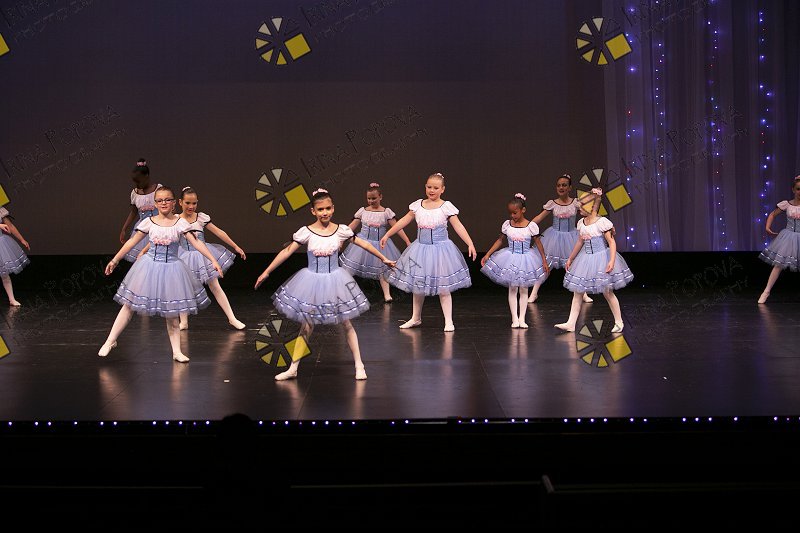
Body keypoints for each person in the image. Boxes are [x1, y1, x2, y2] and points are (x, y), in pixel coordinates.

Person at [254, 188, 396, 381]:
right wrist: (266, 271)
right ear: (313, 211)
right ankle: (293, 368)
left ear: (333, 208)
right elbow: (287, 252)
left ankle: (359, 365)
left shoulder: (341, 230)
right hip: (312, 281)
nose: (325, 212)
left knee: (346, 323)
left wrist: (383, 258)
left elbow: (364, 244)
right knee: (306, 326)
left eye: (328, 208)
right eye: (320, 209)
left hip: (335, 280)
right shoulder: (307, 232)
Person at [99, 186, 223, 362]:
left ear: (173, 203)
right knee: (129, 304)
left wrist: (213, 260)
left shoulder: (180, 223)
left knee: (172, 312)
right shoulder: (148, 222)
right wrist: (115, 260)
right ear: (155, 203)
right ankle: (110, 340)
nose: (163, 203)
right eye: (160, 200)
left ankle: (176, 351)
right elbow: (131, 242)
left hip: (172, 268)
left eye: (167, 200)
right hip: (149, 267)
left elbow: (197, 243)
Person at [380, 172, 477, 332]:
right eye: (429, 187)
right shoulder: (418, 205)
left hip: (441, 250)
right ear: (425, 187)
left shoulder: (446, 207)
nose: (432, 190)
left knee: (443, 287)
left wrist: (470, 243)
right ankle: (415, 318)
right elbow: (403, 221)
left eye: (436, 188)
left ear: (442, 189)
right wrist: (388, 234)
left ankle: (448, 321)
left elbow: (458, 226)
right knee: (418, 285)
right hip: (421, 249)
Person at [556, 189, 633, 333]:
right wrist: (571, 258)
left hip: (601, 258)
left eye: (582, 206)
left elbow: (611, 242)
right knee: (578, 291)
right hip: (585, 259)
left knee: (607, 292)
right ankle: (571, 323)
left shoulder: (602, 222)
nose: (579, 209)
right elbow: (580, 242)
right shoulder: (581, 223)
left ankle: (619, 321)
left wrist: (611, 261)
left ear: (591, 207)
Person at [174, 186, 246, 329]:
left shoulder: (201, 218)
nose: (191, 206)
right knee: (182, 288)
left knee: (215, 286)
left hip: (203, 256)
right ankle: (184, 321)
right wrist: (145, 251)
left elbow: (219, 232)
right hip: (184, 256)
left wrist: (235, 246)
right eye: (187, 203)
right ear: (180, 202)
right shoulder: (176, 219)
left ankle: (232, 318)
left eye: (194, 203)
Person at [480, 193, 549, 328]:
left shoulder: (530, 226)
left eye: (515, 213)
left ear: (523, 210)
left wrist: (544, 260)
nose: (512, 215)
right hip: (510, 258)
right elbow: (500, 240)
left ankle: (522, 318)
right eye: (510, 213)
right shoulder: (507, 225)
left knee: (523, 289)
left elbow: (538, 244)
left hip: (526, 259)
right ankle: (514, 318)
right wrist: (488, 254)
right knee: (512, 289)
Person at [339, 181, 411, 303]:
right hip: (363, 243)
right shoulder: (363, 211)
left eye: (374, 198)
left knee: (383, 269)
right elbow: (351, 227)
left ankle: (387, 294)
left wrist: (407, 241)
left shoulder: (386, 212)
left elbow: (397, 227)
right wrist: (340, 238)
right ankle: (342, 291)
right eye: (369, 198)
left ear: (380, 197)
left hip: (380, 244)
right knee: (350, 268)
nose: (371, 201)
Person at [529, 174, 594, 304]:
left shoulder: (575, 203)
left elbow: (589, 213)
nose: (561, 187)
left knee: (575, 266)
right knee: (546, 265)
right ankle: (534, 293)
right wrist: (527, 226)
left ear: (570, 188)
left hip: (571, 237)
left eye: (564, 185)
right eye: (559, 185)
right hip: (554, 238)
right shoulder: (552, 204)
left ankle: (583, 293)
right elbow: (539, 217)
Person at [758, 175, 800, 303]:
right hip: (789, 237)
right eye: (798, 189)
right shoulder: (787, 204)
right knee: (778, 264)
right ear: (793, 189)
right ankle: (766, 291)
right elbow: (772, 214)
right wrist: (767, 227)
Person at [119, 158, 162, 263]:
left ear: (146, 176)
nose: (137, 184)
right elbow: (133, 212)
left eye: (139, 181)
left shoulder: (158, 189)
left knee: (157, 256)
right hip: (143, 228)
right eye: (135, 182)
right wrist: (124, 228)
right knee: (142, 260)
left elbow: (167, 208)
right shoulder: (135, 193)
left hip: (158, 227)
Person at [0, 204, 30, 306]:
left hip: (1, 244)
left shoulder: (0, 210)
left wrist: (22, 239)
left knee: (4, 274)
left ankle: (11, 299)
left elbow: (10, 226)